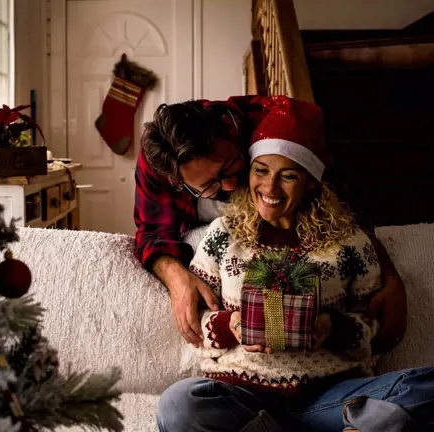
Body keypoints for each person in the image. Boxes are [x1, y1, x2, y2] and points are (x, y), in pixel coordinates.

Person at [156, 97, 431, 432]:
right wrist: (232, 326)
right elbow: (199, 321)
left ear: (311, 180)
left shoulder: (350, 243)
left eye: (288, 176)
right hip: (244, 397)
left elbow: (370, 329)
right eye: (261, 171)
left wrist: (334, 328)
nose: (270, 188)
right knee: (179, 403)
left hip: (329, 396)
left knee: (424, 387)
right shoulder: (223, 236)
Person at [134, 96, 406, 355]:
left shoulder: (272, 121)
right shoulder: (160, 159)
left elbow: (344, 209)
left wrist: (391, 277)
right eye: (207, 186)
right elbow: (152, 232)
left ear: (230, 131)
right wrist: (176, 277)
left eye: (229, 166)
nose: (228, 186)